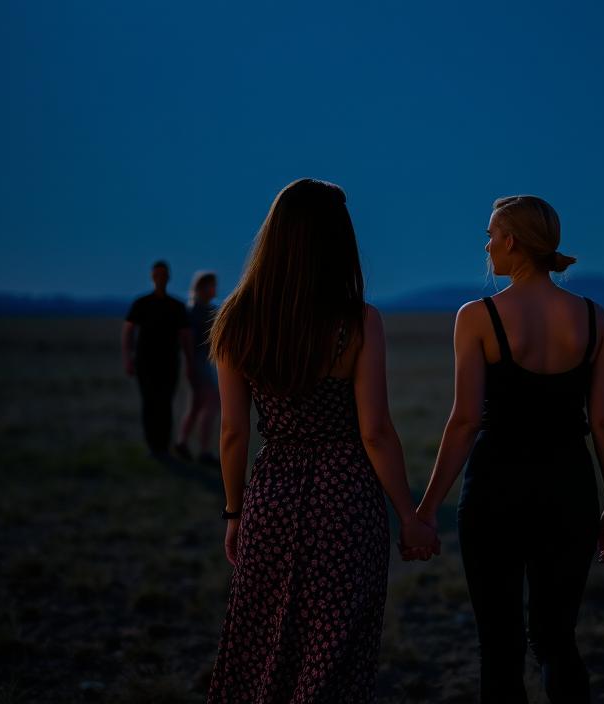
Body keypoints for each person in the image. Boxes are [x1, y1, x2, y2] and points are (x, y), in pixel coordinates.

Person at [206, 179, 439, 704]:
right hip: (346, 501)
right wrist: (409, 515)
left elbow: (233, 432)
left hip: (272, 497)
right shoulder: (356, 323)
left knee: (260, 647)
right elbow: (375, 431)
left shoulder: (237, 319)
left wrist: (235, 513)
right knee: (334, 654)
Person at [414, 195, 604, 704]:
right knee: (557, 639)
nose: (486, 246)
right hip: (570, 486)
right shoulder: (594, 319)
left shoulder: (478, 317)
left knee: (500, 646)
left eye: (490, 235)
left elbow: (464, 420)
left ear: (511, 241)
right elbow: (603, 421)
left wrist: (425, 510)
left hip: (496, 489)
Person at [122, 261, 193, 459]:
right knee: (149, 403)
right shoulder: (141, 304)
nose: (160, 278)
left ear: (168, 277)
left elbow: (185, 336)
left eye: (163, 274)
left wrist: (189, 362)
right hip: (145, 362)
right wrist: (128, 357)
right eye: (157, 274)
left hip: (169, 362)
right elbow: (128, 331)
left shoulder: (177, 306)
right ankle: (152, 445)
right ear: (152, 277)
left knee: (165, 403)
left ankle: (163, 445)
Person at [174, 270, 221, 465]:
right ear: (201, 287)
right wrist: (190, 365)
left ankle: (183, 443)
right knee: (211, 403)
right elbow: (188, 340)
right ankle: (203, 450)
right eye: (211, 285)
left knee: (197, 405)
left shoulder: (208, 309)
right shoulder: (194, 311)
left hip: (203, 362)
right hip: (199, 362)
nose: (214, 289)